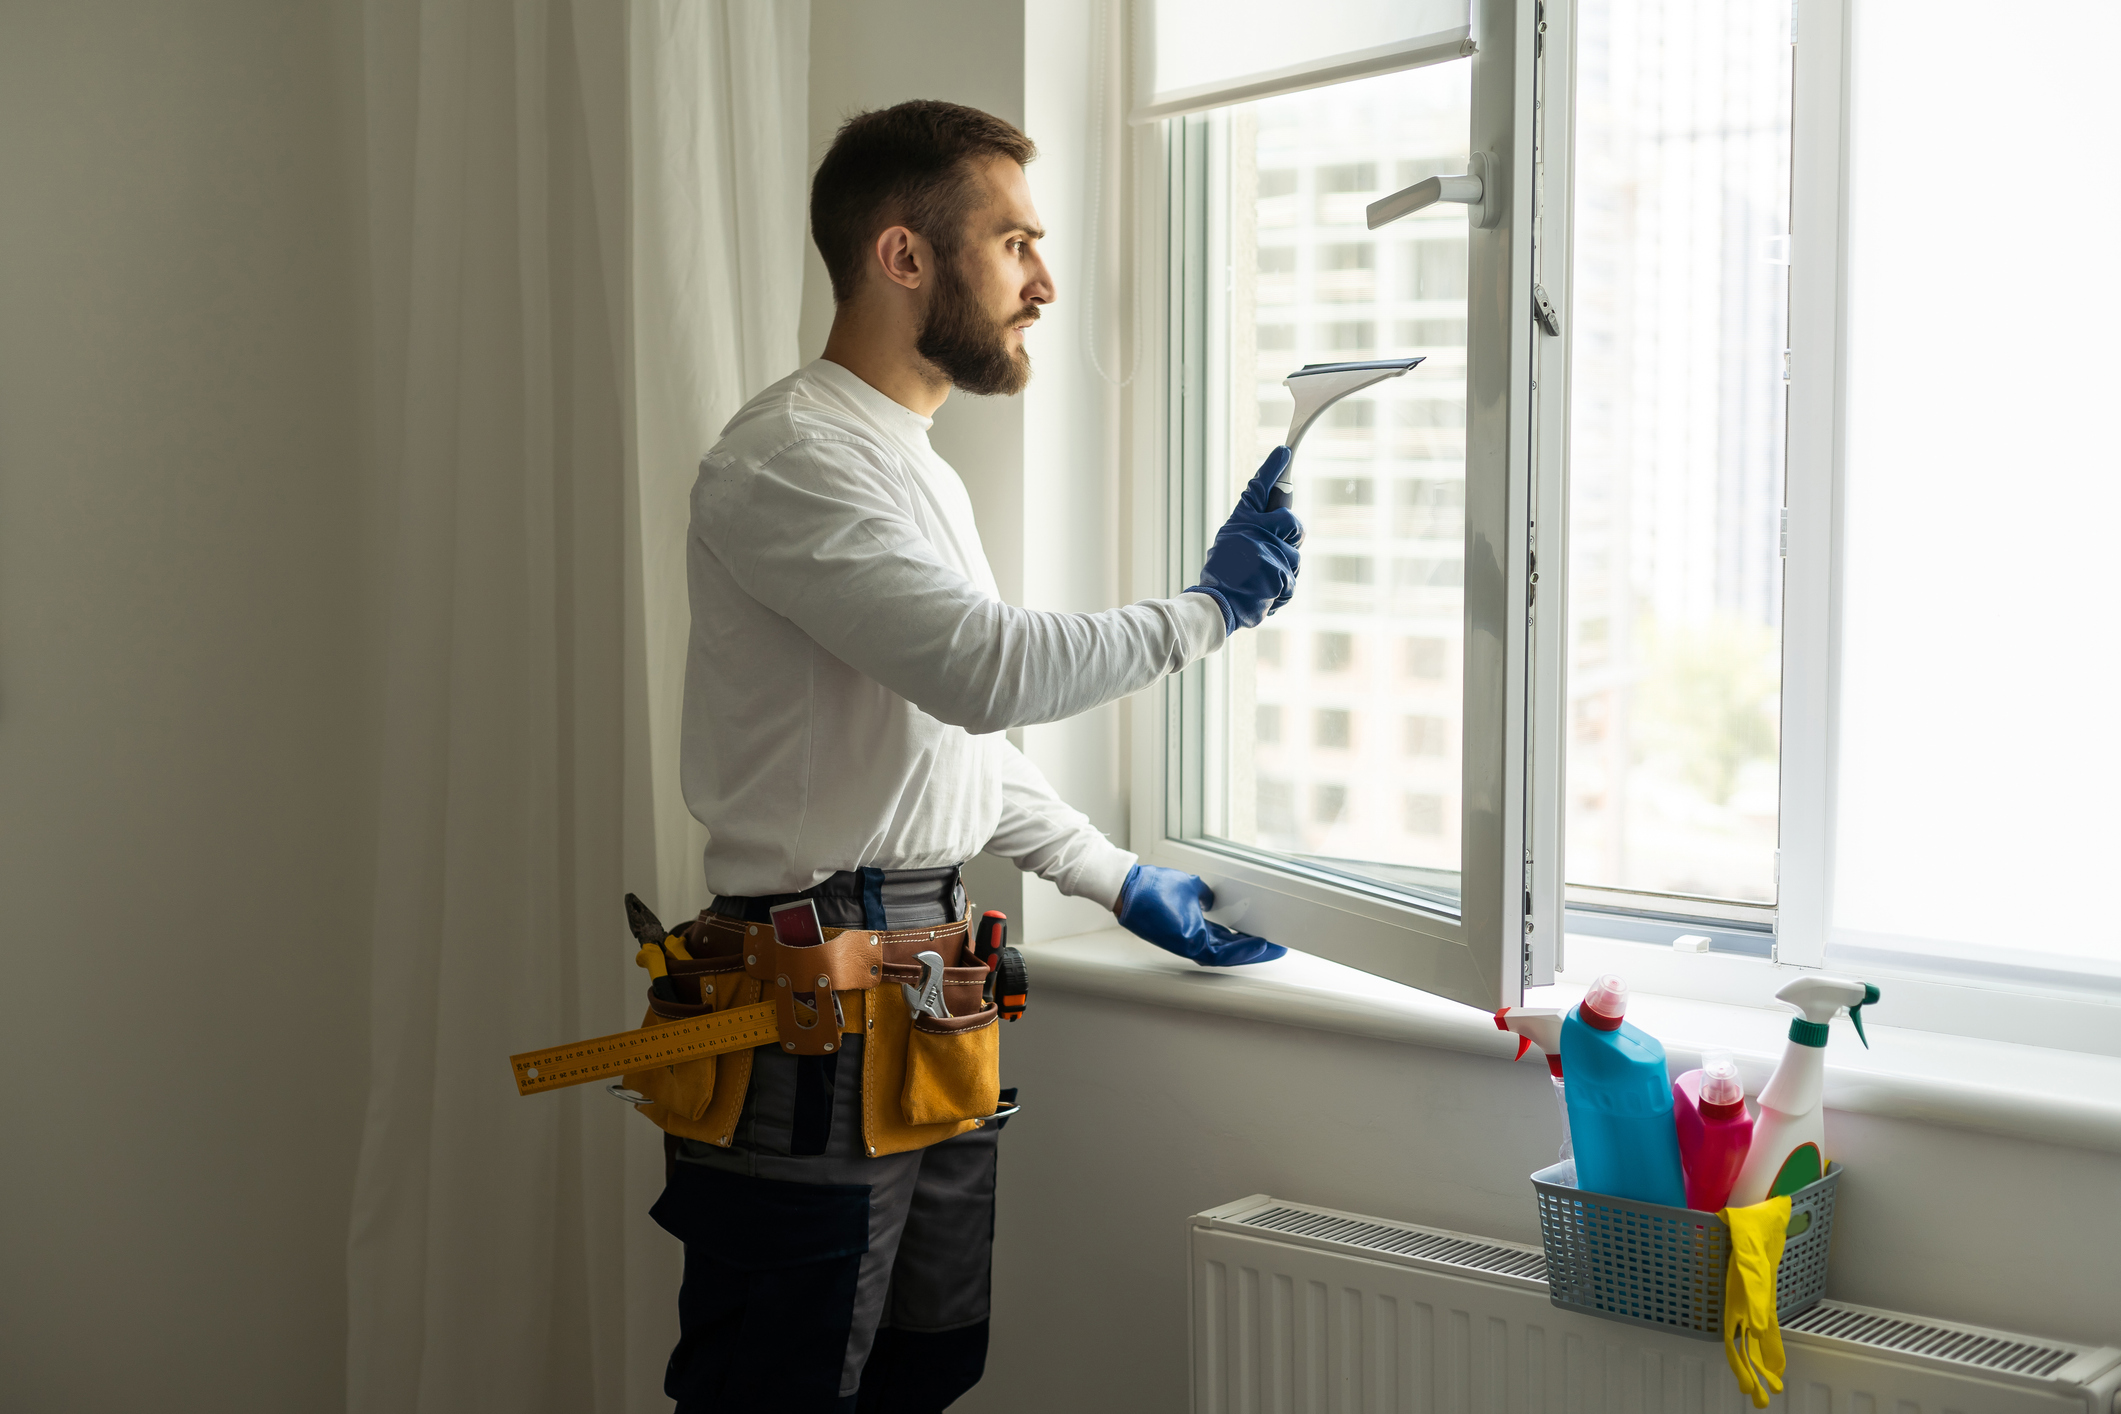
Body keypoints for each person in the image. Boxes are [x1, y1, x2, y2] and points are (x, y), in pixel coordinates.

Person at [652, 99, 1301, 1413]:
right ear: (905, 258)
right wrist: (1207, 610)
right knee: (782, 1381)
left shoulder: (916, 470)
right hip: (807, 994)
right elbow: (986, 666)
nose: (1043, 282)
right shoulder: (785, 460)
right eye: (1013, 243)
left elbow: (956, 737)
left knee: (930, 1360)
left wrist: (1118, 880)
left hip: (932, 974)